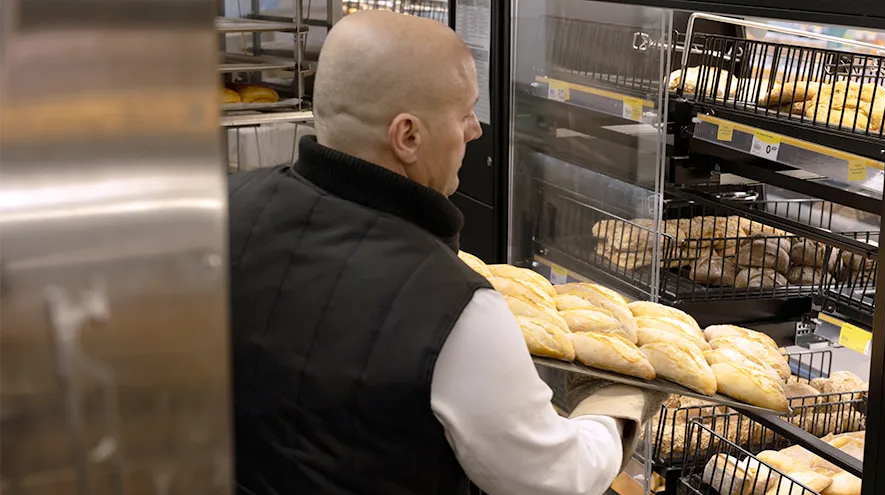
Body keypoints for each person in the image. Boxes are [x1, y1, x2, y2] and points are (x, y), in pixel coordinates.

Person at [227, 10, 665, 495]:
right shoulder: (452, 307)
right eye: (464, 114)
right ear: (408, 136)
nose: (476, 131)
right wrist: (616, 412)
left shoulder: (221, 210)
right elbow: (553, 477)